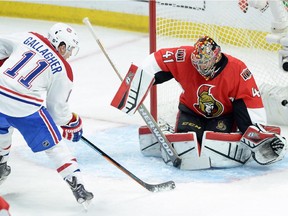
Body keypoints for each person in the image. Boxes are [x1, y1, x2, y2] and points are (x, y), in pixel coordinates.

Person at [125, 35, 287, 169]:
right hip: (190, 112)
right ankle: (169, 131)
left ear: (216, 56)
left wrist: (255, 132)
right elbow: (157, 60)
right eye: (198, 63)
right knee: (187, 145)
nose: (201, 67)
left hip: (222, 117)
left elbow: (249, 101)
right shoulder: (185, 56)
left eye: (205, 62)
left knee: (214, 147)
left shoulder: (237, 69)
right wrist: (134, 81)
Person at [0, 23, 93, 205]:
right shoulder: (62, 68)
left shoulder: (29, 36)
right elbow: (57, 111)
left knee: (2, 128)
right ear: (61, 45)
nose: (69, 54)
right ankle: (77, 185)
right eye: (70, 49)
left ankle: (1, 164)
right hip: (24, 105)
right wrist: (72, 122)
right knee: (54, 145)